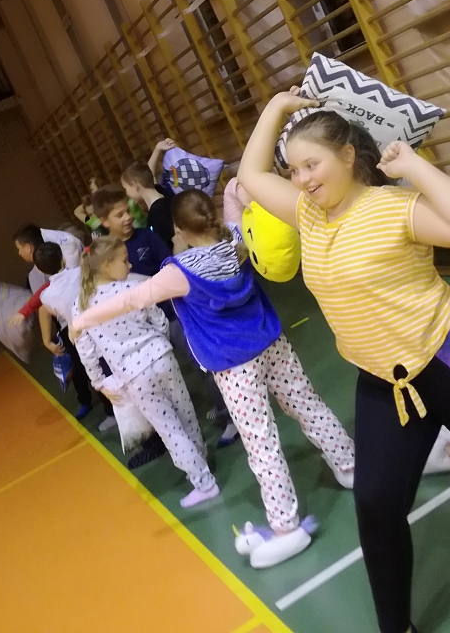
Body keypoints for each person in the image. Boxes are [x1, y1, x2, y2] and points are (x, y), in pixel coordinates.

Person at [237, 89, 450, 632]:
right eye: (294, 169)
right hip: (384, 381)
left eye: (312, 164)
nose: (301, 179)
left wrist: (415, 166)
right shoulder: (307, 214)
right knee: (375, 503)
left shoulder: (393, 208)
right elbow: (251, 176)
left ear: (347, 155)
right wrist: (276, 106)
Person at [71, 189, 356, 569]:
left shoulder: (179, 272)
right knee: (307, 405)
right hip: (271, 342)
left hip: (233, 366)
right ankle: (349, 464)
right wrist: (235, 190)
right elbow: (235, 197)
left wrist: (81, 320)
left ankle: (286, 526)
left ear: (179, 229)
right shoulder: (236, 242)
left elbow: (130, 299)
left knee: (261, 443)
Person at [73, 237, 219, 509]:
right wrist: (159, 343)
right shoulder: (134, 287)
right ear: (106, 265)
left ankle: (203, 481)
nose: (130, 265)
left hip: (134, 376)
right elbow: (159, 320)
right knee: (185, 413)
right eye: (124, 260)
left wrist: (99, 382)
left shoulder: (81, 308)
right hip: (163, 358)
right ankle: (200, 460)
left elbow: (87, 352)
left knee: (169, 429)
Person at [93, 184, 239, 447]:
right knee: (163, 385)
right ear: (104, 221)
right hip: (141, 332)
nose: (127, 217)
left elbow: (169, 269)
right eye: (119, 214)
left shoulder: (146, 238)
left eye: (128, 211)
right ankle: (176, 438)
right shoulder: (103, 253)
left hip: (171, 315)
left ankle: (231, 415)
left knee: (203, 363)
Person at [12, 242, 115, 429]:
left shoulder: (46, 296)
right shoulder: (80, 271)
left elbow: (46, 305)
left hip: (78, 337)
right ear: (63, 259)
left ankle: (113, 411)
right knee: (112, 365)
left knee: (95, 373)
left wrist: (26, 312)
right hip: (102, 326)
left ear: (40, 270)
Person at [121, 160, 175, 249]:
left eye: (126, 188)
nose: (126, 193)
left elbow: (169, 245)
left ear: (134, 185)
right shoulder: (164, 194)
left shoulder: (158, 212)